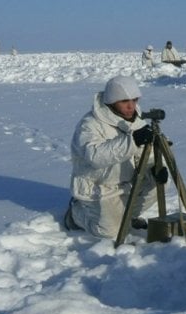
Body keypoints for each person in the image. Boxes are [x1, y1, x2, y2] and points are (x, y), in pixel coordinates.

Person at [64, 75, 167, 239]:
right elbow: (94, 156)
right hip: (99, 187)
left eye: (134, 100)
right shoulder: (90, 124)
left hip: (127, 184)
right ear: (112, 102)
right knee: (111, 232)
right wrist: (131, 141)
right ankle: (76, 215)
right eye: (124, 101)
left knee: (159, 184)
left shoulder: (136, 121)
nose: (131, 106)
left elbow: (145, 154)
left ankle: (128, 217)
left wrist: (155, 169)